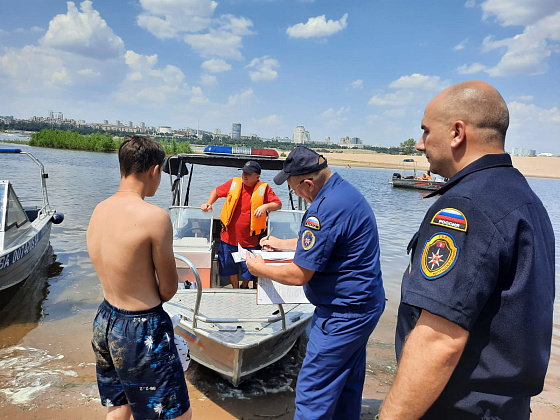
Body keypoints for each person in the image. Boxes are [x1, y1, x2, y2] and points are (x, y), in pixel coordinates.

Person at [379, 81, 555, 419]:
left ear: (457, 132)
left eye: (426, 131)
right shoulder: (525, 199)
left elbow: (438, 340)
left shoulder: (465, 206)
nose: (420, 144)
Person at [246, 146, 385, 420]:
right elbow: (327, 242)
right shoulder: (343, 193)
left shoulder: (322, 210)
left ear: (308, 183)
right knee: (346, 384)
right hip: (365, 305)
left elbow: (299, 274)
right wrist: (282, 243)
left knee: (313, 392)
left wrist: (260, 268)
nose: (295, 194)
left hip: (342, 314)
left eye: (293, 188)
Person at [87, 135, 192, 420]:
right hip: (140, 329)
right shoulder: (154, 217)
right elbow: (168, 289)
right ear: (154, 170)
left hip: (105, 321)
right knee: (176, 415)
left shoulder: (99, 210)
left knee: (120, 407)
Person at [201, 160, 281, 288]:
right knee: (228, 265)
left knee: (249, 268)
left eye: (249, 173)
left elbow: (277, 204)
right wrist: (208, 203)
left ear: (257, 177)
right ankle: (235, 288)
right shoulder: (233, 183)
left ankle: (245, 285)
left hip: (249, 240)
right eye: (244, 172)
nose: (245, 175)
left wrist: (265, 206)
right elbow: (216, 192)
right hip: (228, 237)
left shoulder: (264, 189)